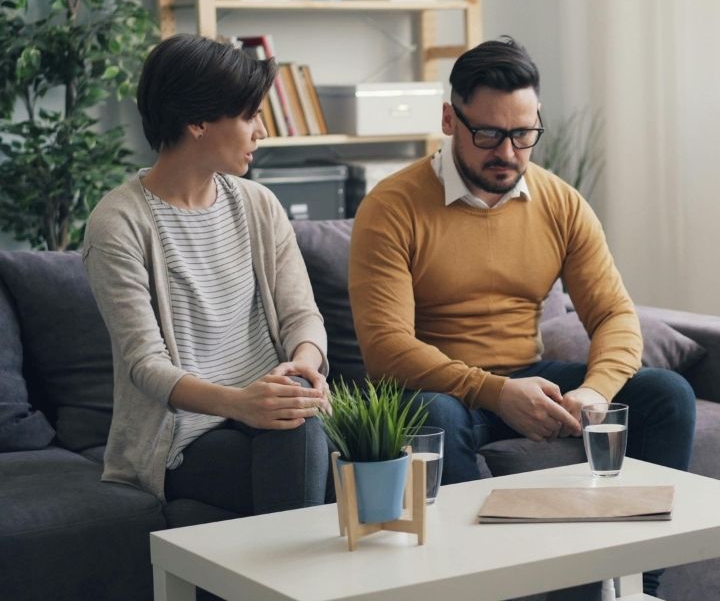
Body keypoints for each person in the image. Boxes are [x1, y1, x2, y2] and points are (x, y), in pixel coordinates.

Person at [348, 36, 695, 597]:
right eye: (487, 132)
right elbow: (386, 348)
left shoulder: (560, 202)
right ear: (448, 119)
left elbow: (614, 316)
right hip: (440, 389)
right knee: (434, 413)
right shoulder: (392, 206)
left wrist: (594, 393)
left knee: (666, 394)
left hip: (527, 375)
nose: (507, 152)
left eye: (523, 134)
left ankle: (636, 585)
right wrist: (492, 392)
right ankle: (480, 585)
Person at [83, 34, 330, 516]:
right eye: (249, 117)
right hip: (183, 436)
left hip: (275, 413)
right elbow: (146, 366)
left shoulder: (259, 204)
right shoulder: (117, 223)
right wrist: (241, 403)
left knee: (321, 435)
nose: (260, 132)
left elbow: (304, 315)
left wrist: (303, 364)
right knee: (307, 451)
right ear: (197, 121)